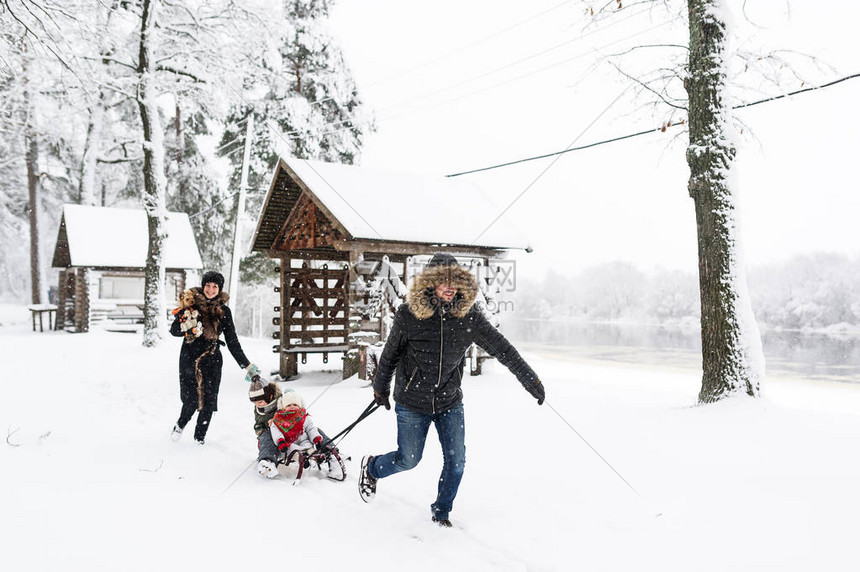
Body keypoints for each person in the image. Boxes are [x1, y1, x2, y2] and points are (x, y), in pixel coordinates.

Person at [358, 253, 545, 527]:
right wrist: (380, 389)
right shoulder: (410, 314)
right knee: (408, 460)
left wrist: (530, 379)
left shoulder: (469, 317)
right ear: (431, 282)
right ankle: (372, 467)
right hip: (412, 401)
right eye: (443, 280)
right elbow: (390, 355)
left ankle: (441, 512)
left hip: (449, 401)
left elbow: (502, 348)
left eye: (455, 281)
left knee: (456, 461)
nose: (450, 287)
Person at [169, 270, 260, 444]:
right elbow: (173, 331)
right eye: (208, 285)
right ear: (203, 286)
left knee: (209, 402)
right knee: (191, 400)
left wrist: (247, 365)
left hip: (212, 359)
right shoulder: (190, 306)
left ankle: (199, 439)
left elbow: (232, 341)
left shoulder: (224, 311)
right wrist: (186, 327)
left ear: (220, 289)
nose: (211, 290)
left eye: (215, 286)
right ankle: (180, 426)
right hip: (190, 358)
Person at [249, 379, 284, 478]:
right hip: (268, 436)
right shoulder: (258, 408)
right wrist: (260, 429)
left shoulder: (281, 403)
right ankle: (267, 462)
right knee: (267, 435)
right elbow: (258, 423)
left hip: (284, 432)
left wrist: (277, 422)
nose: (257, 405)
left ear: (270, 397)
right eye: (255, 402)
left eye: (260, 401)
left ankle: (328, 450)